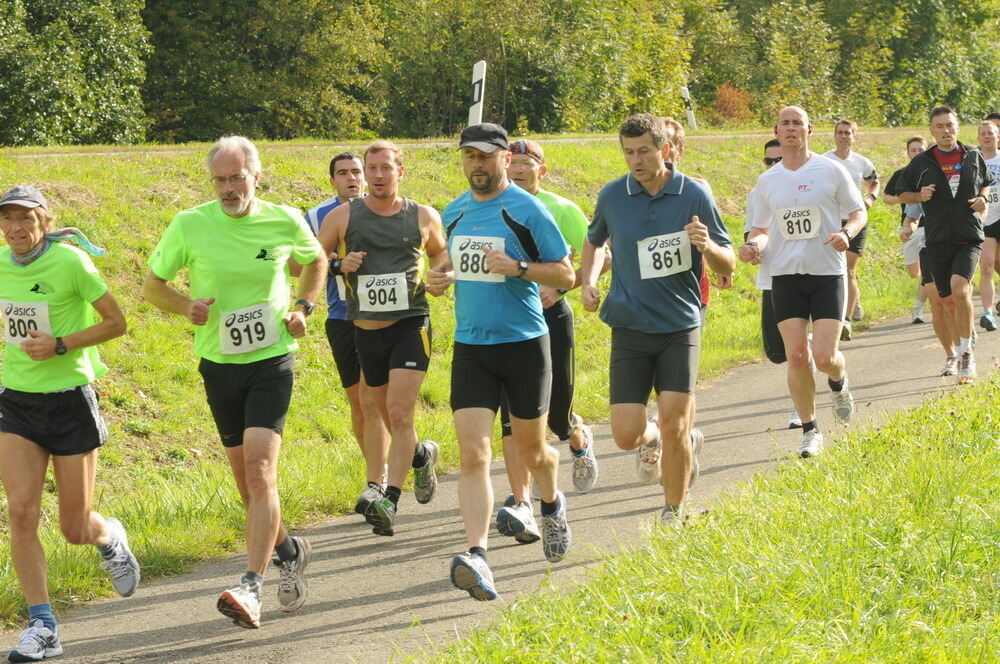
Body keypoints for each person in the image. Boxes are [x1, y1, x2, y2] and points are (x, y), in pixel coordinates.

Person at [144, 136, 327, 628]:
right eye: (220, 180)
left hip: (272, 359)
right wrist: (187, 306)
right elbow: (151, 286)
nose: (228, 188)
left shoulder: (285, 219)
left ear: (255, 177)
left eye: (236, 178)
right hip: (219, 364)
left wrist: (303, 307)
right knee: (247, 485)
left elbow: (316, 260)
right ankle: (288, 549)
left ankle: (252, 585)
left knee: (261, 469)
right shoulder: (190, 224)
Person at [429, 123, 576, 600]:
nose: (476, 165)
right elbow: (452, 265)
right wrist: (440, 277)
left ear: (504, 159)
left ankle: (551, 504)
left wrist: (518, 268)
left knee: (534, 454)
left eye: (484, 157)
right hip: (472, 346)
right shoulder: (453, 213)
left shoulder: (526, 210)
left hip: (524, 344)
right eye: (468, 156)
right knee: (473, 454)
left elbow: (566, 273)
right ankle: (477, 553)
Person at [0, 185, 137, 662]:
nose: (16, 228)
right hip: (16, 403)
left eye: (25, 218)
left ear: (45, 221)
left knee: (74, 527)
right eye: (8, 219)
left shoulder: (72, 262)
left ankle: (108, 536)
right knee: (20, 514)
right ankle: (44, 626)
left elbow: (117, 323)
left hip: (69, 401)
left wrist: (61, 343)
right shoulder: (0, 263)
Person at [580, 113, 734, 524]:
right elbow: (594, 242)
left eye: (644, 151)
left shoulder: (694, 194)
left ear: (664, 150)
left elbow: (728, 259)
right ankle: (656, 439)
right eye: (628, 152)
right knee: (626, 434)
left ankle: (673, 512)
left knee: (675, 423)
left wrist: (707, 247)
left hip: (679, 326)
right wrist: (589, 280)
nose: (636, 160)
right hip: (629, 325)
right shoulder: (613, 196)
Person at [317, 140, 446, 537]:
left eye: (384, 168)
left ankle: (388, 497)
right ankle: (406, 466)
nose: (375, 175)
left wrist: (441, 276)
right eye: (370, 168)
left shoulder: (423, 215)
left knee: (401, 411)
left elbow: (441, 255)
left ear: (399, 172)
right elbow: (312, 263)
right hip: (365, 329)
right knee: (378, 411)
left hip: (411, 324)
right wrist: (340, 264)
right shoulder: (341, 216)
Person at [741, 106, 866, 458]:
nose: (791, 128)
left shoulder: (831, 170)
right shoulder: (768, 181)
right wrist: (753, 246)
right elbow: (762, 229)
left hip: (826, 273)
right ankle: (811, 431)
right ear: (777, 131)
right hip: (785, 276)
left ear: (810, 130)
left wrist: (846, 232)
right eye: (785, 123)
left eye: (798, 123)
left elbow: (858, 212)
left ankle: (839, 384)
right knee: (797, 355)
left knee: (824, 357)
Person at [492, 138, 598, 545]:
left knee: (554, 417)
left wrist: (566, 290)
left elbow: (591, 257)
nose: (517, 169)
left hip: (552, 319)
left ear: (542, 170)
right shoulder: (491, 209)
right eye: (511, 162)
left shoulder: (562, 209)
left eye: (526, 163)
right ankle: (521, 501)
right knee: (510, 417)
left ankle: (577, 437)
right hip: (511, 323)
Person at [304, 152, 391, 517]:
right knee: (359, 405)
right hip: (342, 317)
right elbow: (309, 263)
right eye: (343, 173)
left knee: (375, 403)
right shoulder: (314, 217)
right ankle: (411, 455)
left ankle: (379, 481)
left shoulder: (389, 208)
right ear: (332, 181)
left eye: (357, 171)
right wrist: (339, 265)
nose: (352, 178)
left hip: (384, 317)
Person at [895, 106, 993, 384]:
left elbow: (985, 183)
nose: (946, 131)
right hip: (937, 240)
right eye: (939, 126)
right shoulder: (922, 162)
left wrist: (983, 199)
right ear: (932, 130)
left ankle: (966, 355)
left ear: (957, 126)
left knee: (960, 291)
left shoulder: (972, 155)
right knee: (947, 302)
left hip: (969, 236)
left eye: (949, 125)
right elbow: (900, 193)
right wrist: (919, 194)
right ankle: (961, 343)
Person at [744, 139, 806, 428]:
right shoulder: (758, 192)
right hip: (772, 279)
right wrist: (752, 250)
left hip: (807, 276)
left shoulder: (810, 186)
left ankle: (801, 406)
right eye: (767, 161)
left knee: (798, 350)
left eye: (777, 160)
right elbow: (753, 232)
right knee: (777, 352)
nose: (772, 166)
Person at [823, 120, 879, 339]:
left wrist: (870, 199)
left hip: (855, 221)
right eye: (840, 133)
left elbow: (874, 182)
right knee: (831, 268)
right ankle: (844, 305)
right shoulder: (825, 160)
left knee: (848, 269)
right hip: (831, 221)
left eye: (848, 133)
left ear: (854, 137)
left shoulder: (862, 162)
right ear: (834, 135)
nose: (844, 137)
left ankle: (845, 321)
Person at [883, 137, 930, 324]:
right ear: (908, 152)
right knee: (914, 273)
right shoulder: (902, 174)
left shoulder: (932, 172)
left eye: (921, 149)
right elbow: (887, 197)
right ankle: (926, 287)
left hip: (931, 227)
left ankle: (918, 308)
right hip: (909, 226)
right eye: (913, 150)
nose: (917, 153)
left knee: (928, 270)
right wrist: (906, 198)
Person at [975, 122, 1000, 331]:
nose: (987, 137)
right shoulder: (973, 161)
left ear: (997, 136)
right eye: (983, 134)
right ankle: (988, 312)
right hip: (985, 219)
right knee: (986, 266)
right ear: (978, 138)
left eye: (990, 133)